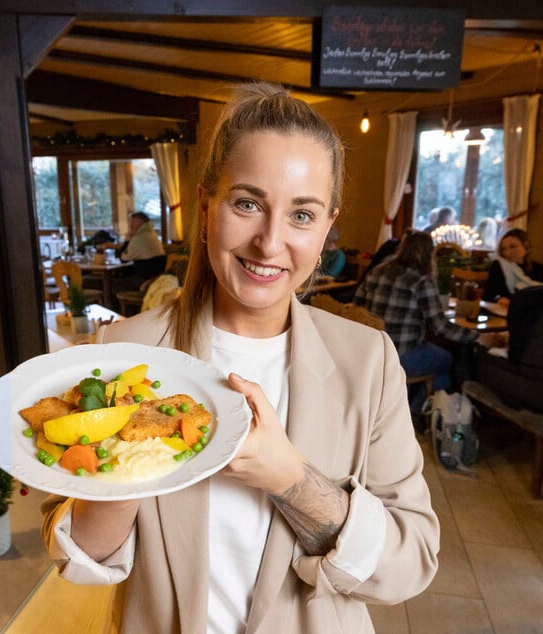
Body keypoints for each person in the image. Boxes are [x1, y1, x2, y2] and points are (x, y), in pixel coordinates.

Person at [42, 83, 438, 632]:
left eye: (302, 215)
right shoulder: (123, 353)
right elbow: (75, 555)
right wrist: (122, 469)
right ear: (206, 206)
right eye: (248, 204)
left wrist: (293, 480)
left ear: (327, 228)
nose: (270, 242)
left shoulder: (367, 361)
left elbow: (411, 561)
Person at [354, 231, 498, 403]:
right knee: (448, 361)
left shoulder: (378, 270)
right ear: (430, 254)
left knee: (439, 365)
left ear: (402, 248)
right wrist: (478, 337)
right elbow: (439, 326)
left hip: (372, 351)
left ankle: (406, 406)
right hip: (402, 355)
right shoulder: (421, 280)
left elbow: (357, 304)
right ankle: (415, 411)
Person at [483, 228, 543, 307]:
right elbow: (488, 295)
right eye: (504, 249)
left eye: (513, 246)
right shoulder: (498, 266)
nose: (508, 252)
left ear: (526, 246)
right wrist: (499, 299)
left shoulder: (540, 269)